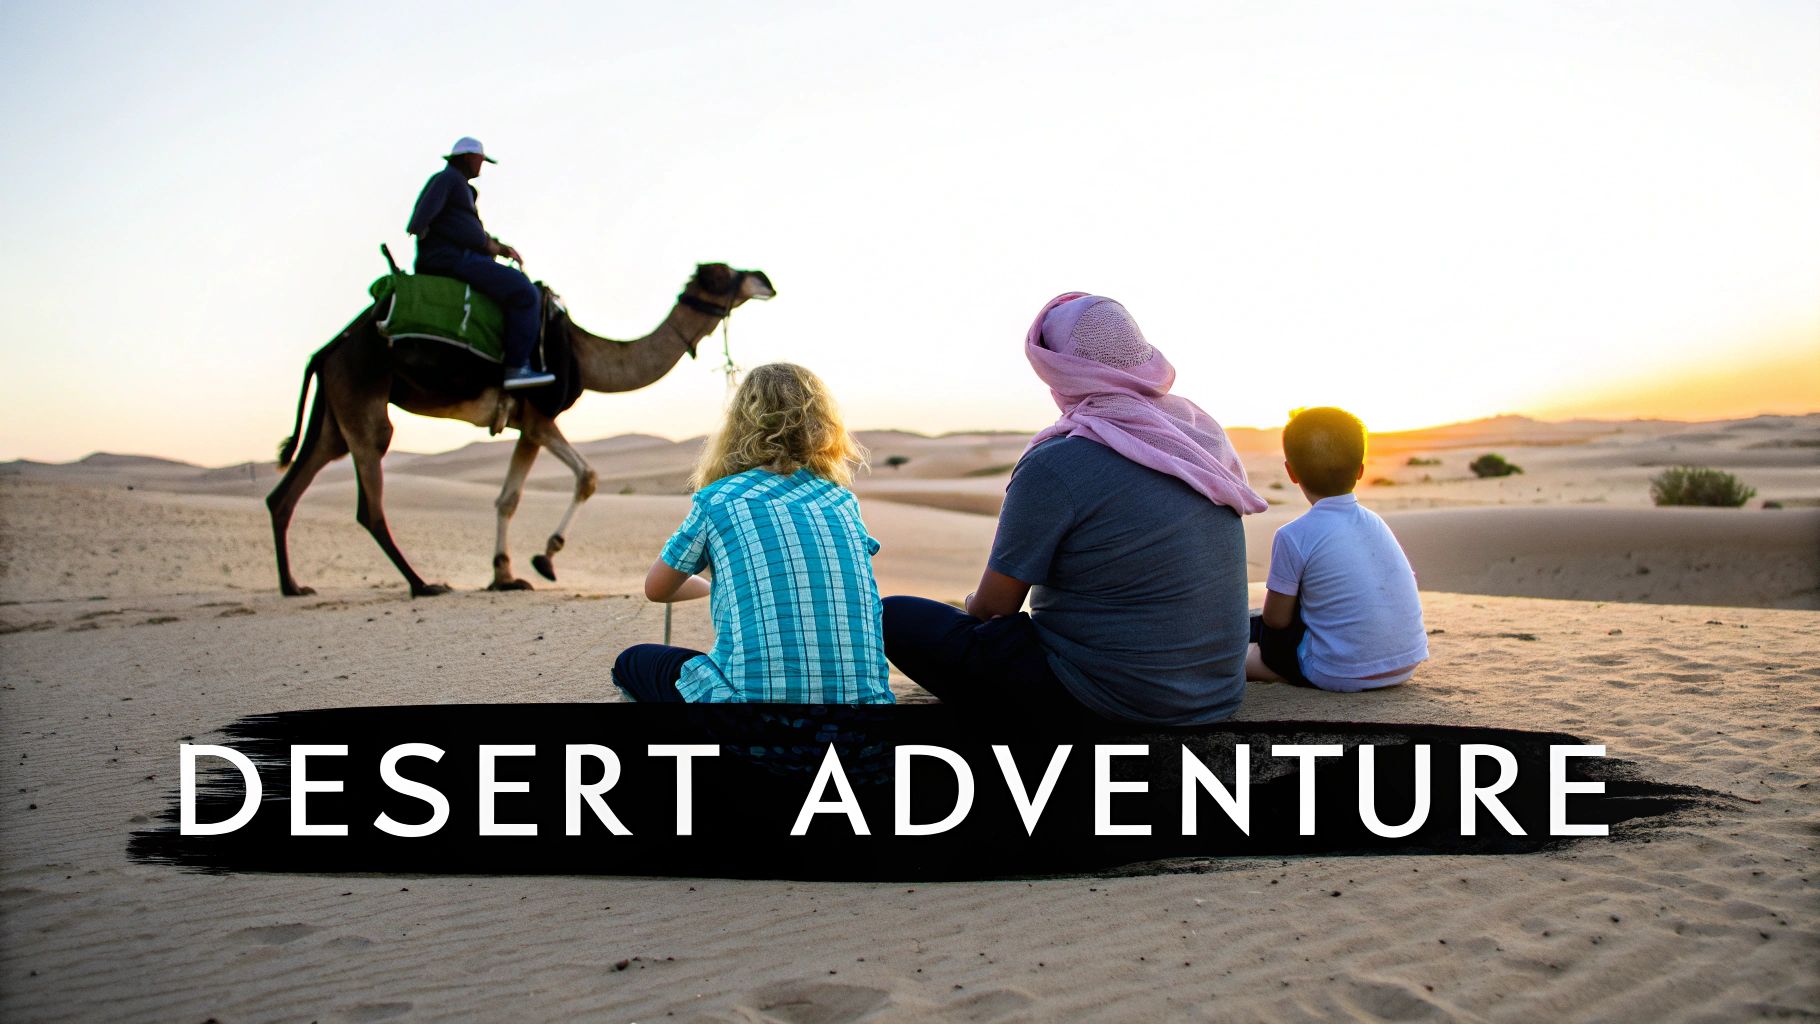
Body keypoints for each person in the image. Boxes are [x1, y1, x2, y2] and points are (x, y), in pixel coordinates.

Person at [881, 293, 1267, 726]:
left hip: (1107, 697)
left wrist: (970, 610)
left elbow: (994, 609)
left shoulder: (1057, 462)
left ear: (1055, 368)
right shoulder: (1199, 442)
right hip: (1214, 696)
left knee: (893, 616)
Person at [612, 363, 894, 705]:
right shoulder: (842, 502)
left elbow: (656, 589)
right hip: (863, 725)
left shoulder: (719, 499)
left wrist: (704, 584)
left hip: (752, 724)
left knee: (633, 661)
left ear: (740, 424)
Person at [1247, 406, 1429, 691]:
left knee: (1254, 633)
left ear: (1291, 472)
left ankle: (1266, 667)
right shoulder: (1376, 523)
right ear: (1360, 471)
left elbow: (1277, 620)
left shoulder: (1293, 535)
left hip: (1338, 671)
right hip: (1405, 663)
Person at [405, 136, 554, 390]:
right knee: (525, 292)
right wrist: (494, 247)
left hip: (449, 255)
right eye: (481, 159)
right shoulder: (450, 180)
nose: (482, 165)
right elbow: (465, 233)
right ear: (468, 157)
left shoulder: (453, 184)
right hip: (451, 259)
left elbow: (459, 228)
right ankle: (516, 367)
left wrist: (498, 247)